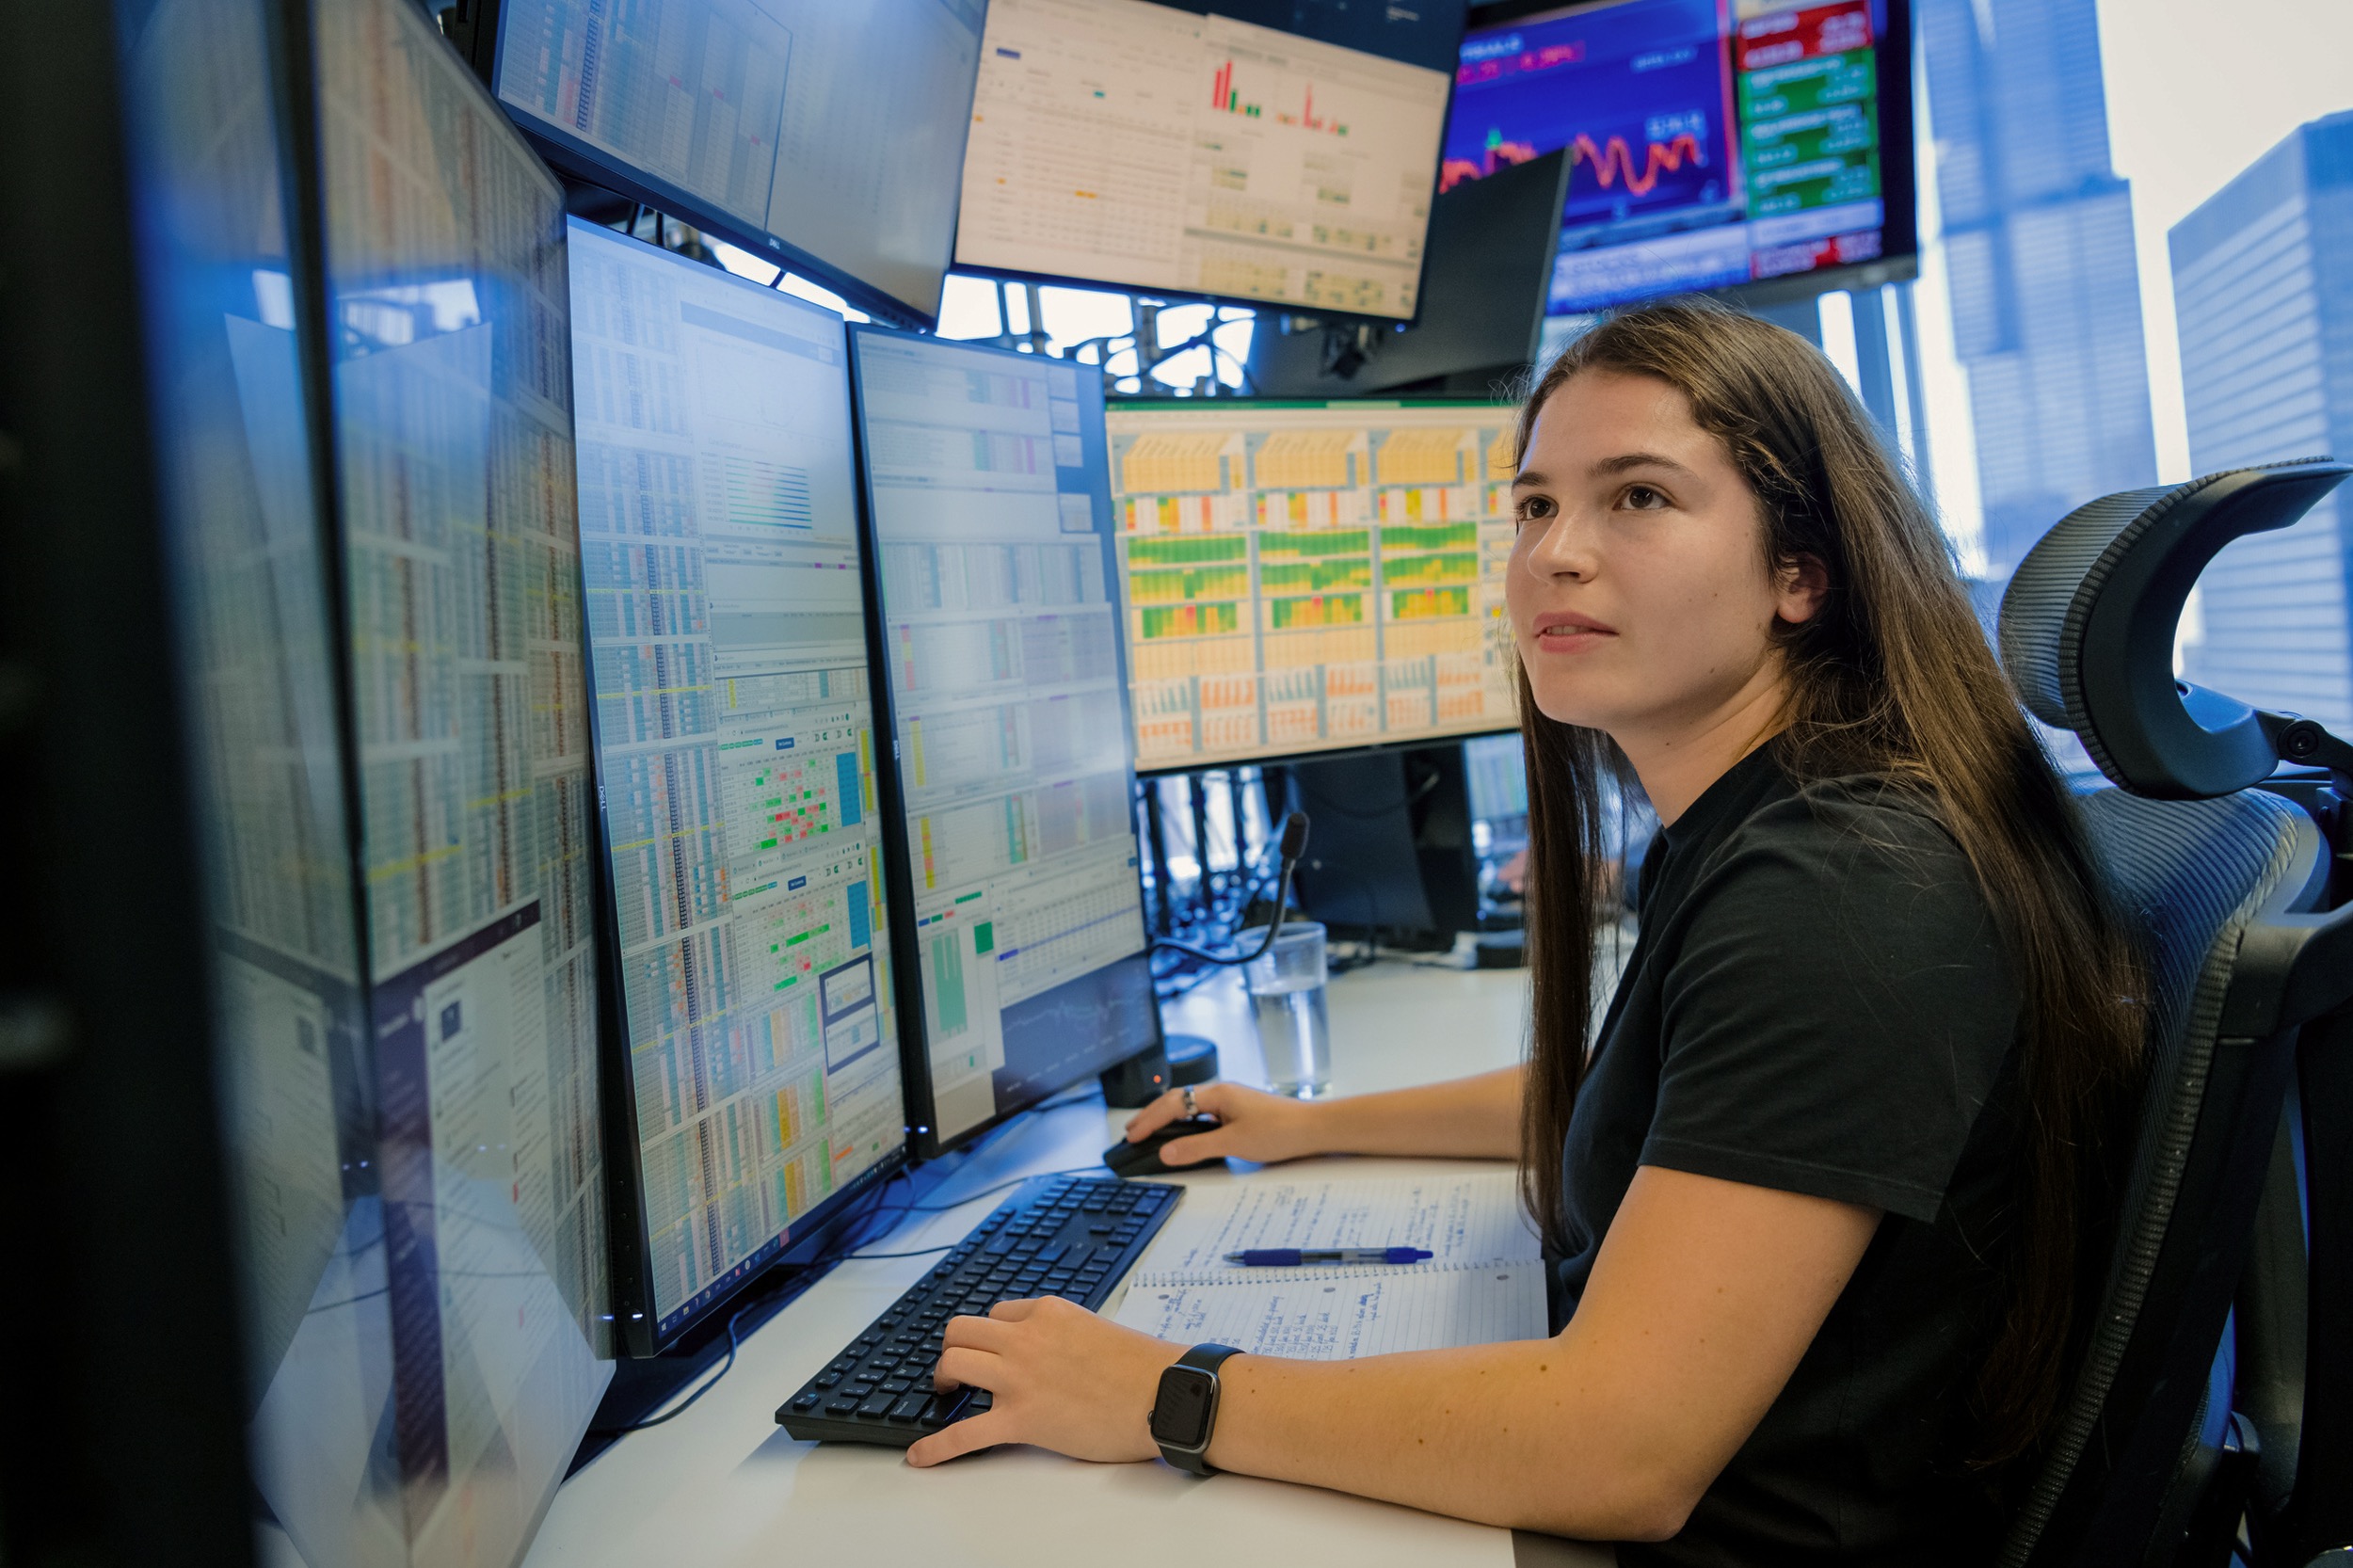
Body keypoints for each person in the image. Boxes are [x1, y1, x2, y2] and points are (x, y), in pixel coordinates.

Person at [904, 298, 2148, 1565]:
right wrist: (1311, 1125)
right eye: (1536, 506)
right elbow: (1670, 1099)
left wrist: (1167, 1390)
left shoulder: (1840, 890)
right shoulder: (1775, 823)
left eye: (1640, 498)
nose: (1558, 552)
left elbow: (1616, 1450)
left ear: (1801, 573)